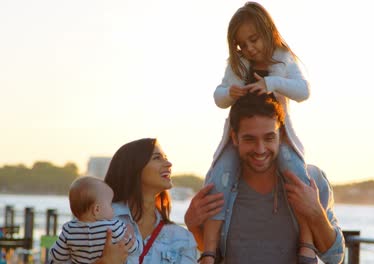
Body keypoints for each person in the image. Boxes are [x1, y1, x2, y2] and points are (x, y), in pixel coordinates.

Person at [204, 1, 315, 262]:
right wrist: (229, 93)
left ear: (267, 32)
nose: (249, 48)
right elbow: (218, 97)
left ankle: (307, 242)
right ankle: (210, 250)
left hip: (278, 137)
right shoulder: (237, 64)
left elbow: (304, 91)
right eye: (242, 44)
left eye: (253, 39)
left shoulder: (283, 58)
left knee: (298, 173)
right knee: (219, 177)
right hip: (240, 139)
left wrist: (272, 83)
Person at [192, 93, 345, 264]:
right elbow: (212, 252)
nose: (260, 149)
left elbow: (334, 258)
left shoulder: (311, 180)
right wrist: (191, 224)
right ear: (234, 138)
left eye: (269, 137)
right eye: (250, 139)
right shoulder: (220, 184)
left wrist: (315, 212)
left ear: (281, 136)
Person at [104, 138, 197, 263]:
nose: (169, 164)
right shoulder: (100, 220)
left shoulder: (182, 239)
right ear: (134, 166)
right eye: (157, 158)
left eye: (165, 157)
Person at [49, 176, 139, 263]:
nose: (112, 208)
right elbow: (133, 248)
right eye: (110, 204)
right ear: (97, 210)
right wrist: (132, 238)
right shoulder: (114, 226)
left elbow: (57, 256)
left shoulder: (68, 230)